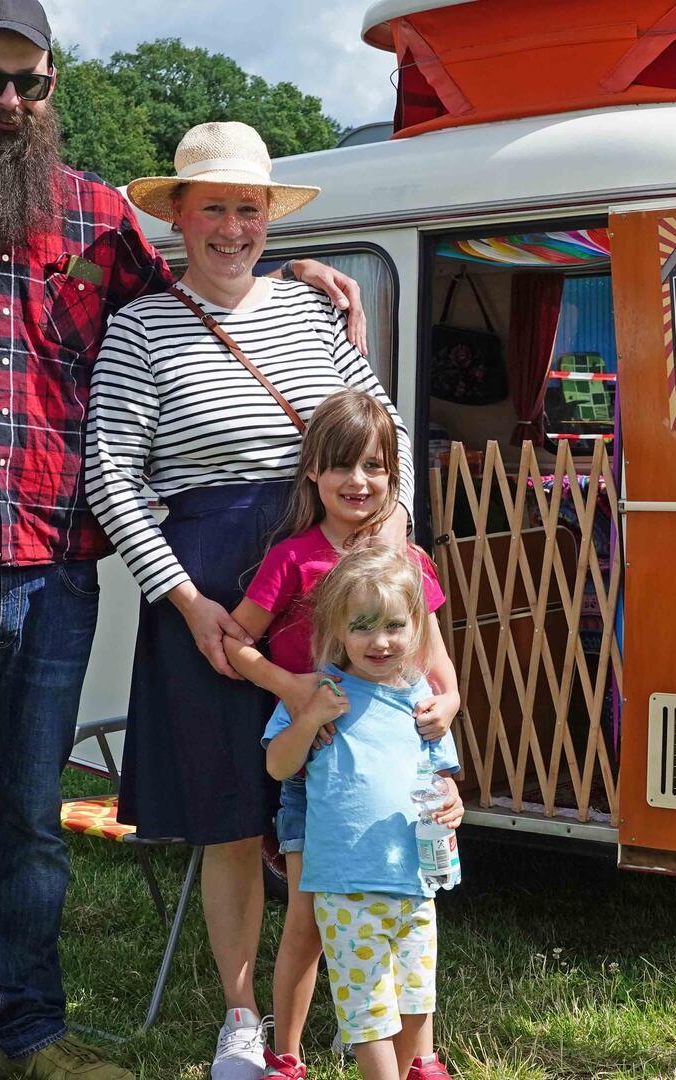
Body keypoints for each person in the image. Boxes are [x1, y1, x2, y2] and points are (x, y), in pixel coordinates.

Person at [0, 4, 364, 1076]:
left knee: (31, 822)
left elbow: (199, 303)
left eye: (30, 81)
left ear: (55, 83)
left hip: (57, 576)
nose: (9, 101)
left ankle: (31, 1034)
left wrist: (293, 280)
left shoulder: (98, 218)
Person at [84, 125, 441, 1080]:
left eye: (250, 208)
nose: (233, 227)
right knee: (231, 813)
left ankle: (349, 1000)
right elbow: (111, 470)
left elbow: (386, 430)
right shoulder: (141, 326)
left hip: (326, 576)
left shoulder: (314, 312)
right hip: (208, 582)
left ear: (268, 219)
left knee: (337, 785)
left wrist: (387, 543)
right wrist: (182, 597)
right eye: (214, 208)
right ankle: (244, 1017)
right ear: (179, 218)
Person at [222, 391, 462, 1080]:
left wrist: (450, 704)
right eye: (341, 467)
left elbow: (436, 658)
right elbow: (236, 640)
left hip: (399, 771)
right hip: (316, 766)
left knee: (413, 924)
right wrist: (292, 690)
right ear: (312, 474)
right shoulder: (293, 558)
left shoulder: (408, 562)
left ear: (393, 475)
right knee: (306, 921)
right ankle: (287, 1054)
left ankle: (419, 1056)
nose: (359, 482)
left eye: (375, 467)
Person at [263, 539, 461, 1080]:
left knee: (416, 995)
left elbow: (441, 777)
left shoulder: (422, 700)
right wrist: (311, 719)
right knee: (368, 1005)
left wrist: (452, 801)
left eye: (395, 626)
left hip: (415, 880)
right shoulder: (321, 694)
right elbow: (279, 766)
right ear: (336, 629)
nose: (380, 641)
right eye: (363, 626)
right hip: (347, 883)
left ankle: (419, 1067)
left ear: (417, 628)